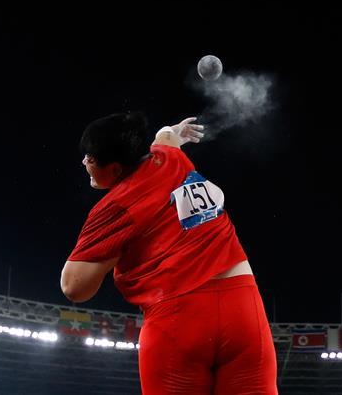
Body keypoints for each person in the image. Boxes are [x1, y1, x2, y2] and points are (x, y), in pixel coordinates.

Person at [60, 112, 277, 394]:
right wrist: (177, 130)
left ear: (114, 169)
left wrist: (118, 248)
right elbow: (166, 135)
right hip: (244, 309)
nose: (84, 163)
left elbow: (74, 287)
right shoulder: (171, 158)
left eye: (90, 159)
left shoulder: (113, 209)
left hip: (178, 319)